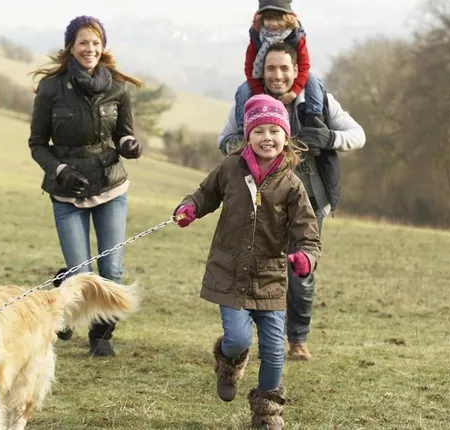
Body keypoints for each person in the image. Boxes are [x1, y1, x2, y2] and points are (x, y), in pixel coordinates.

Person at [174, 94, 321, 429]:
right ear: (247, 136)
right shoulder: (230, 169)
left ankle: (267, 412)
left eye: (274, 130)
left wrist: (305, 258)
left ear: (286, 137)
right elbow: (205, 194)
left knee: (274, 349)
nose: (267, 137)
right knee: (238, 339)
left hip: (270, 279)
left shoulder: (292, 186)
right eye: (259, 131)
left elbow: (308, 235)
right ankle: (229, 364)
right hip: (229, 274)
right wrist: (190, 208)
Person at [219, 42, 366, 361]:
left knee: (301, 269)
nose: (278, 75)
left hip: (308, 200)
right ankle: (255, 338)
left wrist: (330, 138)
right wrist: (245, 146)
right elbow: (224, 140)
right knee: (257, 269)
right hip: (260, 200)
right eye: (271, 68)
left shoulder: (318, 100)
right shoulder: (247, 100)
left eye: (285, 68)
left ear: (297, 70)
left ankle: (298, 339)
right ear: (261, 71)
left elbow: (358, 135)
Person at [28, 15, 143, 357]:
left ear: (102, 47)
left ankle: (101, 336)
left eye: (96, 42)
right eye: (83, 42)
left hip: (110, 187)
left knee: (111, 270)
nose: (90, 48)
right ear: (71, 47)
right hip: (66, 191)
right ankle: (64, 292)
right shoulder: (51, 88)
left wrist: (128, 145)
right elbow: (37, 144)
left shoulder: (118, 87)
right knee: (81, 272)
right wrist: (60, 170)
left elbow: (124, 134)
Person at [236, 0, 325, 131]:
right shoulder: (257, 36)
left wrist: (293, 93)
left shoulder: (296, 36)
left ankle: (314, 121)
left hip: (293, 77)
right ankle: (241, 128)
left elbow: (304, 65)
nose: (273, 23)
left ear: (287, 17)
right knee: (243, 89)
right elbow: (249, 67)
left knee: (313, 79)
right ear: (261, 19)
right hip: (263, 78)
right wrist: (261, 93)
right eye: (268, 19)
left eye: (278, 19)